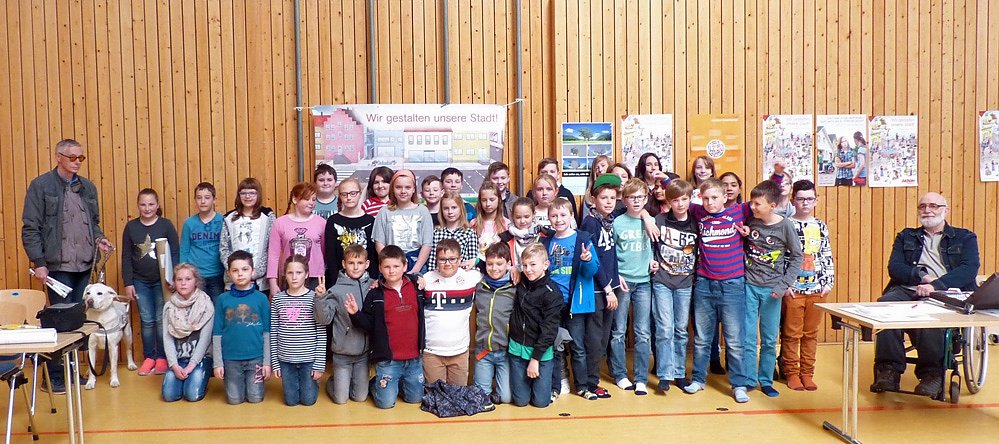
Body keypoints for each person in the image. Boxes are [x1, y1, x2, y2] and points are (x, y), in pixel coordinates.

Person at [22, 138, 114, 393]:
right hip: (57, 267)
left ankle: (72, 372)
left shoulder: (88, 187)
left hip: (85, 265)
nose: (77, 162)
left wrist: (99, 238)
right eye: (72, 157)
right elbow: (31, 227)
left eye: (80, 158)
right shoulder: (41, 186)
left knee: (78, 321)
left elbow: (93, 222)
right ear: (58, 157)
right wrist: (39, 263)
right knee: (59, 322)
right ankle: (53, 377)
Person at [871, 192, 980, 396]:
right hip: (909, 289)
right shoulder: (906, 236)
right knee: (885, 307)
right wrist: (923, 277)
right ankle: (888, 370)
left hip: (947, 292)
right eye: (922, 206)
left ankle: (932, 374)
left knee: (931, 318)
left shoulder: (965, 237)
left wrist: (937, 285)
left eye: (933, 206)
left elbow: (969, 269)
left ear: (946, 210)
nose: (927, 210)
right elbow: (895, 267)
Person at [683, 179, 754, 403]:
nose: (710, 202)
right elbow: (677, 196)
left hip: (732, 285)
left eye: (714, 198)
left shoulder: (739, 211)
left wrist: (779, 175)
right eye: (705, 198)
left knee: (734, 340)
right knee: (702, 339)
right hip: (705, 284)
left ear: (725, 197)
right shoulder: (698, 213)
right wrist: (661, 177)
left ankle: (739, 384)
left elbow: (766, 198)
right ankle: (698, 379)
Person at [741, 180, 803, 398]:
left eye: (757, 204)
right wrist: (745, 233)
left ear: (772, 205)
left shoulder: (785, 226)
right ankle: (749, 379)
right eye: (752, 202)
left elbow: (797, 257)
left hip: (772, 291)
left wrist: (783, 285)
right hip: (749, 286)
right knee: (748, 337)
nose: (752, 207)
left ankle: (766, 380)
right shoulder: (751, 221)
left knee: (768, 339)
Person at [345, 245, 426, 409]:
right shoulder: (375, 293)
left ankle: (398, 383)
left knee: (415, 399)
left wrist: (418, 277)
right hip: (388, 360)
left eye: (396, 266)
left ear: (405, 266)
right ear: (380, 268)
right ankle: (376, 383)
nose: (392, 271)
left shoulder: (416, 287)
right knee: (385, 404)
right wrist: (355, 314)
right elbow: (368, 324)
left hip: (413, 359)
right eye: (387, 267)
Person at [541, 197, 600, 401]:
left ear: (571, 216)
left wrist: (587, 260)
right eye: (554, 216)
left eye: (563, 215)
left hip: (575, 304)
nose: (558, 219)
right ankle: (555, 387)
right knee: (555, 347)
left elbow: (593, 271)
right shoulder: (545, 241)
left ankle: (582, 386)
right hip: (553, 304)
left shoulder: (583, 239)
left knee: (578, 347)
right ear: (549, 218)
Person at [783, 180, 835, 391]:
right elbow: (781, 257)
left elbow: (826, 254)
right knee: (791, 333)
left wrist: (828, 282)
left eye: (809, 199)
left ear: (816, 200)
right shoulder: (786, 224)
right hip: (794, 289)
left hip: (817, 289)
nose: (805, 203)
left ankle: (807, 372)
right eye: (801, 199)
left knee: (811, 333)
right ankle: (791, 372)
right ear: (793, 200)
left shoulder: (820, 225)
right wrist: (785, 284)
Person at [122, 188, 179, 376]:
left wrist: (174, 278)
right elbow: (126, 257)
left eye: (151, 204)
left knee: (162, 320)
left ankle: (162, 357)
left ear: (158, 205)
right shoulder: (131, 227)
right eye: (143, 204)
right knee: (147, 320)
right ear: (138, 206)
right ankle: (149, 357)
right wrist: (128, 282)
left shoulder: (166, 225)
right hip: (140, 281)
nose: (147, 208)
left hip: (162, 281)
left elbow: (175, 253)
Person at [577, 174, 623, 399]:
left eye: (612, 198)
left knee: (603, 338)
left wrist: (617, 279)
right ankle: (589, 383)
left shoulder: (610, 220)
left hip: (611, 286)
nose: (608, 202)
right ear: (593, 199)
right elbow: (594, 260)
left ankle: (591, 381)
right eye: (604, 197)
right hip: (597, 290)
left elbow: (610, 256)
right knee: (594, 339)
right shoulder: (590, 222)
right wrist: (607, 288)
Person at [609, 179, 656, 395]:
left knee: (643, 333)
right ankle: (620, 374)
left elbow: (654, 246)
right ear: (624, 200)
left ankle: (640, 378)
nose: (636, 201)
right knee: (618, 331)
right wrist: (616, 275)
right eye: (631, 197)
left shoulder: (650, 221)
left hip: (644, 282)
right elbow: (611, 253)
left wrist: (653, 260)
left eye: (640, 197)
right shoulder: (617, 223)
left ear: (646, 199)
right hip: (623, 282)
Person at [651, 179, 698, 390]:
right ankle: (665, 373)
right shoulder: (659, 220)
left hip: (685, 282)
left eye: (684, 199)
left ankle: (679, 372)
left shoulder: (695, 222)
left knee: (680, 329)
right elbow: (650, 246)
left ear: (690, 199)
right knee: (664, 328)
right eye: (675, 200)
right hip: (662, 280)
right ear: (669, 201)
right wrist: (651, 261)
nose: (680, 204)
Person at [315, 244, 374, 404]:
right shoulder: (336, 290)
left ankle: (351, 381)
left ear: (367, 264)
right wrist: (320, 298)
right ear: (343, 264)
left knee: (360, 397)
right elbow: (324, 320)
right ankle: (333, 381)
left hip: (363, 354)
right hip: (342, 354)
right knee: (341, 399)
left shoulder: (373, 285)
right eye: (351, 263)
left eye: (360, 263)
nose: (355, 267)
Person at [507, 243, 564, 408]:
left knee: (540, 402)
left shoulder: (553, 293)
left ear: (545, 265)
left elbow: (549, 331)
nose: (528, 269)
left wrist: (535, 359)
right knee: (520, 401)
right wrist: (513, 268)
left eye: (533, 264)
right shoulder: (521, 280)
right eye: (524, 265)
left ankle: (553, 384)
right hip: (517, 347)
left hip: (540, 352)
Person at [213, 250, 272, 404]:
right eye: (235, 270)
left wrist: (267, 362)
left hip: (256, 358)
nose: (240, 274)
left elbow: (267, 332)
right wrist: (218, 363)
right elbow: (217, 333)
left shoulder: (261, 299)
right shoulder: (222, 299)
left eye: (245, 269)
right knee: (234, 400)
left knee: (255, 398)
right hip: (231, 360)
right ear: (229, 273)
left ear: (252, 271)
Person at [422, 239, 481, 385]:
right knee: (435, 395)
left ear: (460, 259)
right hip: (432, 352)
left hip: (459, 351)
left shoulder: (471, 277)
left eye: (452, 259)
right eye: (442, 259)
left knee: (458, 395)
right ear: (436, 260)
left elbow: (497, 269)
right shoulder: (426, 279)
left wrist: (477, 260)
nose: (447, 263)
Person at [270, 255, 327, 406]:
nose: (294, 277)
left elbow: (321, 333)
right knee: (291, 401)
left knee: (308, 401)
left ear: (306, 274)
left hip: (309, 359)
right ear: (285, 274)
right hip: (286, 359)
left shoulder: (314, 297)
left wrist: (319, 364)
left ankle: (313, 384)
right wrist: (275, 363)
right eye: (290, 273)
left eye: (299, 272)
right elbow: (274, 332)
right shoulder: (278, 299)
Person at [161, 263, 214, 402]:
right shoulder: (169, 307)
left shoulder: (206, 304)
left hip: (200, 358)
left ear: (196, 281)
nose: (183, 283)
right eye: (179, 279)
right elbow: (167, 338)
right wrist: (174, 365)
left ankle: (200, 377)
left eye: (188, 279)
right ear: (174, 282)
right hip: (179, 359)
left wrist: (191, 365)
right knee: (169, 396)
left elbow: (205, 340)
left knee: (191, 395)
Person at [473, 243, 517, 404]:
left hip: (505, 352)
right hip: (484, 350)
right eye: (490, 264)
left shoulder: (515, 287)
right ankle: (487, 387)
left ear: (508, 264)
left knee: (506, 398)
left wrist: (516, 270)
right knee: (481, 398)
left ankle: (498, 389)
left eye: (499, 264)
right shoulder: (480, 286)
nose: (494, 268)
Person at [267, 182, 326, 296]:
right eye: (307, 199)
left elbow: (324, 252)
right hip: (290, 275)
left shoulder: (321, 223)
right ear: (295, 199)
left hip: (314, 277)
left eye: (313, 199)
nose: (311, 202)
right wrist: (273, 283)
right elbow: (273, 255)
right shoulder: (279, 223)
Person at [219, 177, 276, 291]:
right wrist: (233, 270)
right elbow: (224, 248)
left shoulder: (267, 217)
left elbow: (271, 248)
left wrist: (255, 273)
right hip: (234, 280)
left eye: (252, 193)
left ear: (258, 194)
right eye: (243, 193)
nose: (247, 196)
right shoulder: (229, 218)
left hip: (259, 281)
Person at [373, 169, 434, 274]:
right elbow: (379, 243)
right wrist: (389, 264)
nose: (403, 191)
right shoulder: (384, 212)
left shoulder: (422, 211)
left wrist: (415, 270)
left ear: (414, 189)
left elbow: (427, 244)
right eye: (398, 187)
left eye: (407, 187)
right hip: (391, 266)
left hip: (416, 264)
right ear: (392, 189)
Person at [324, 178, 377, 285]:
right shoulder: (333, 221)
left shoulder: (370, 221)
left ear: (359, 194)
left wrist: (372, 280)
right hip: (339, 280)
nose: (348, 198)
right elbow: (330, 256)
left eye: (353, 193)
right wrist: (336, 282)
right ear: (339, 196)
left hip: (366, 281)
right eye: (344, 194)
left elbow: (373, 255)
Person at [180, 182, 225, 299]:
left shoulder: (223, 221)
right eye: (199, 198)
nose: (203, 201)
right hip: (196, 276)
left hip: (217, 275)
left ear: (214, 200)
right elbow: (184, 250)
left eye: (207, 197)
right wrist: (183, 274)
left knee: (217, 307)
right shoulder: (189, 223)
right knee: (198, 307)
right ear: (195, 200)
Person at [429, 191, 479, 271]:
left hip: (462, 274)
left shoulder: (469, 233)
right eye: (446, 208)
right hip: (439, 275)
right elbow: (432, 262)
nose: (450, 212)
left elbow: (472, 261)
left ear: (461, 209)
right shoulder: (436, 233)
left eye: (454, 208)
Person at [471, 181, 510, 268]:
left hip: (498, 268)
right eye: (484, 200)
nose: (488, 204)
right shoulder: (474, 224)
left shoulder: (506, 224)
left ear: (499, 200)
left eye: (492, 200)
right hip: (478, 267)